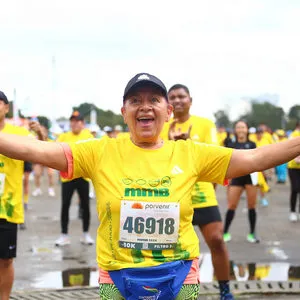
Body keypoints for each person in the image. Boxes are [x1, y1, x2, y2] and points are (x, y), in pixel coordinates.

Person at [0, 74, 300, 300]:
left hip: (180, 273)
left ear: (167, 111)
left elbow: (258, 157)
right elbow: (34, 151)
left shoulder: (191, 153)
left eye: (154, 100)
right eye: (136, 101)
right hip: (116, 274)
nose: (145, 107)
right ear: (124, 111)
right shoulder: (99, 151)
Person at [161, 84, 233, 300]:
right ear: (167, 104)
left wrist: (187, 143)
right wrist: (173, 145)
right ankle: (166, 291)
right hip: (172, 196)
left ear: (190, 100)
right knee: (167, 250)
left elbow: (214, 158)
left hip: (202, 195)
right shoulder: (161, 127)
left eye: (182, 96)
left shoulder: (205, 124)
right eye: (172, 97)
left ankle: (225, 290)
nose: (178, 100)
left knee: (217, 240)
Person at [0, 91, 44, 300]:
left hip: (7, 207)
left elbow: (42, 149)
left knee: (6, 260)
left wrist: (41, 133)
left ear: (7, 108)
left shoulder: (17, 133)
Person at [55, 111, 94, 246]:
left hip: (83, 176)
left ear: (82, 123)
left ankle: (85, 234)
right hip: (68, 177)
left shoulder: (88, 135)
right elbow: (56, 150)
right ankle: (64, 235)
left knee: (85, 206)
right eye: (72, 121)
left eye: (77, 121)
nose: (74, 123)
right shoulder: (64, 136)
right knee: (65, 205)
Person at [223, 120, 260, 244]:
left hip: (251, 178)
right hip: (237, 177)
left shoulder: (252, 144)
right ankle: (225, 232)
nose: (241, 129)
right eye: (238, 127)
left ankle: (252, 233)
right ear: (235, 130)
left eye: (243, 127)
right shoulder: (231, 144)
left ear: (247, 129)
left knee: (252, 206)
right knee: (231, 206)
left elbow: (258, 160)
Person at [32, 125, 56, 197]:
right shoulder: (35, 139)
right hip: (39, 160)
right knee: (37, 174)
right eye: (40, 130)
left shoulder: (50, 139)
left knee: (51, 174)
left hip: (49, 159)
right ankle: (37, 189)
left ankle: (51, 189)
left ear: (46, 132)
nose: (42, 132)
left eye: (43, 131)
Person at [287, 121, 300, 222]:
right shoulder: (294, 134)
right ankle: (292, 211)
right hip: (293, 167)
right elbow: (290, 148)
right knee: (295, 188)